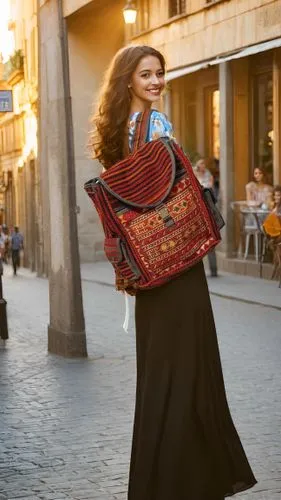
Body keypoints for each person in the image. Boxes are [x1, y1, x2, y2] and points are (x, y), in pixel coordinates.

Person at [90, 45, 257, 500]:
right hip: (178, 263)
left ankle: (158, 479)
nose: (156, 82)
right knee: (191, 364)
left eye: (160, 73)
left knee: (158, 370)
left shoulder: (113, 134)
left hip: (147, 269)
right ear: (128, 80)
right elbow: (174, 190)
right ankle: (194, 478)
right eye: (146, 75)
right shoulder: (157, 125)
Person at [194, 158, 218, 277]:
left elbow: (210, 188)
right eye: (201, 164)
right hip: (198, 211)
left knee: (211, 239)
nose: (203, 166)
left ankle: (214, 270)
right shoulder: (193, 174)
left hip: (208, 209)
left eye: (204, 163)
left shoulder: (208, 175)